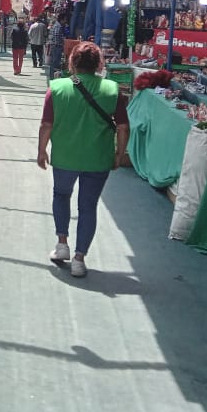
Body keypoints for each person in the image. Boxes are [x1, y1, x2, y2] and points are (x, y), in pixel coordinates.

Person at [36, 41, 130, 277]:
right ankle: (79, 258)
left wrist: (41, 150)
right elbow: (123, 127)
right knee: (88, 207)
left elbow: (46, 124)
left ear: (72, 62)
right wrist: (119, 153)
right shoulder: (112, 89)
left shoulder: (56, 88)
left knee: (61, 195)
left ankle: (62, 244)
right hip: (97, 158)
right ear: (99, 64)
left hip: (65, 156)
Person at [46, 12, 66, 79]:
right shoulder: (58, 26)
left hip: (53, 46)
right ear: (62, 19)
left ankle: (52, 77)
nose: (65, 21)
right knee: (55, 63)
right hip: (56, 47)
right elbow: (57, 36)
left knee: (53, 63)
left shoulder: (56, 25)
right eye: (65, 19)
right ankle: (53, 77)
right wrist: (61, 45)